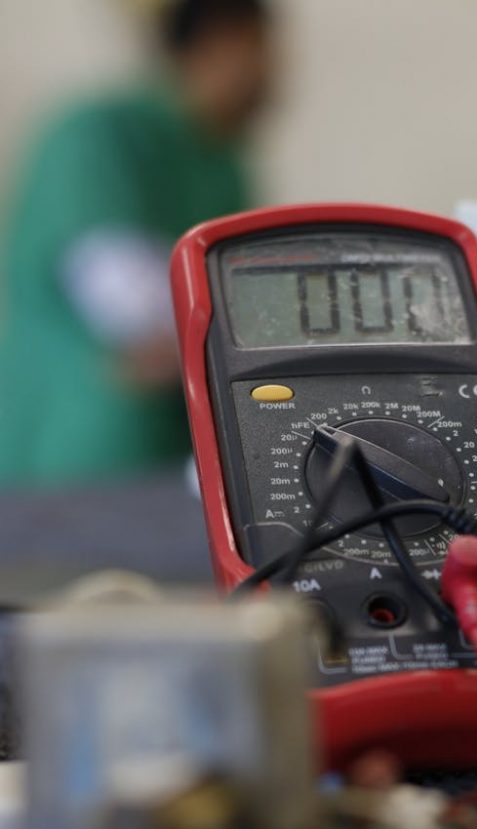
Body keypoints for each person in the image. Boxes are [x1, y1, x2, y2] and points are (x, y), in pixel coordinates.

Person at [0, 0, 273, 488]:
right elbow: (133, 304)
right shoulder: (97, 134)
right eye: (264, 47)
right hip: (86, 453)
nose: (275, 70)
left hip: (177, 449)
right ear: (221, 40)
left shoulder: (221, 163)